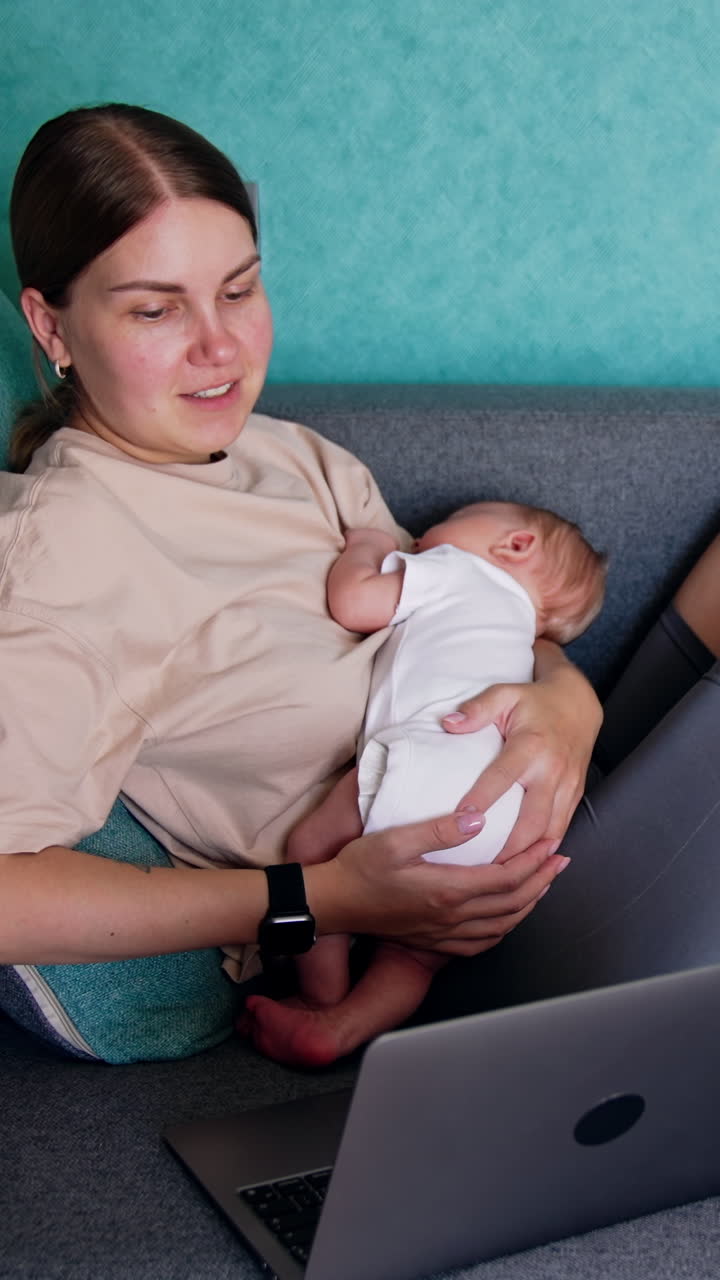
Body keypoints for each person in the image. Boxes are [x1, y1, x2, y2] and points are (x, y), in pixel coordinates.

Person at [0, 105, 592, 1042]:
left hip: (519, 844)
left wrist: (568, 700)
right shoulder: (67, 552)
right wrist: (315, 899)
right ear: (52, 325)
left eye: (239, 290)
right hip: (391, 927)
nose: (220, 349)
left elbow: (454, 610)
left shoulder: (294, 457)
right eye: (155, 309)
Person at [240, 500, 606, 1065]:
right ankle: (341, 1030)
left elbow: (355, 601)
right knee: (415, 957)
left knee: (312, 853)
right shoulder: (523, 645)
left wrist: (368, 547)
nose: (422, 537)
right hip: (507, 817)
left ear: (515, 546)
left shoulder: (463, 572)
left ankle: (320, 996)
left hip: (431, 759)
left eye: (462, 514)